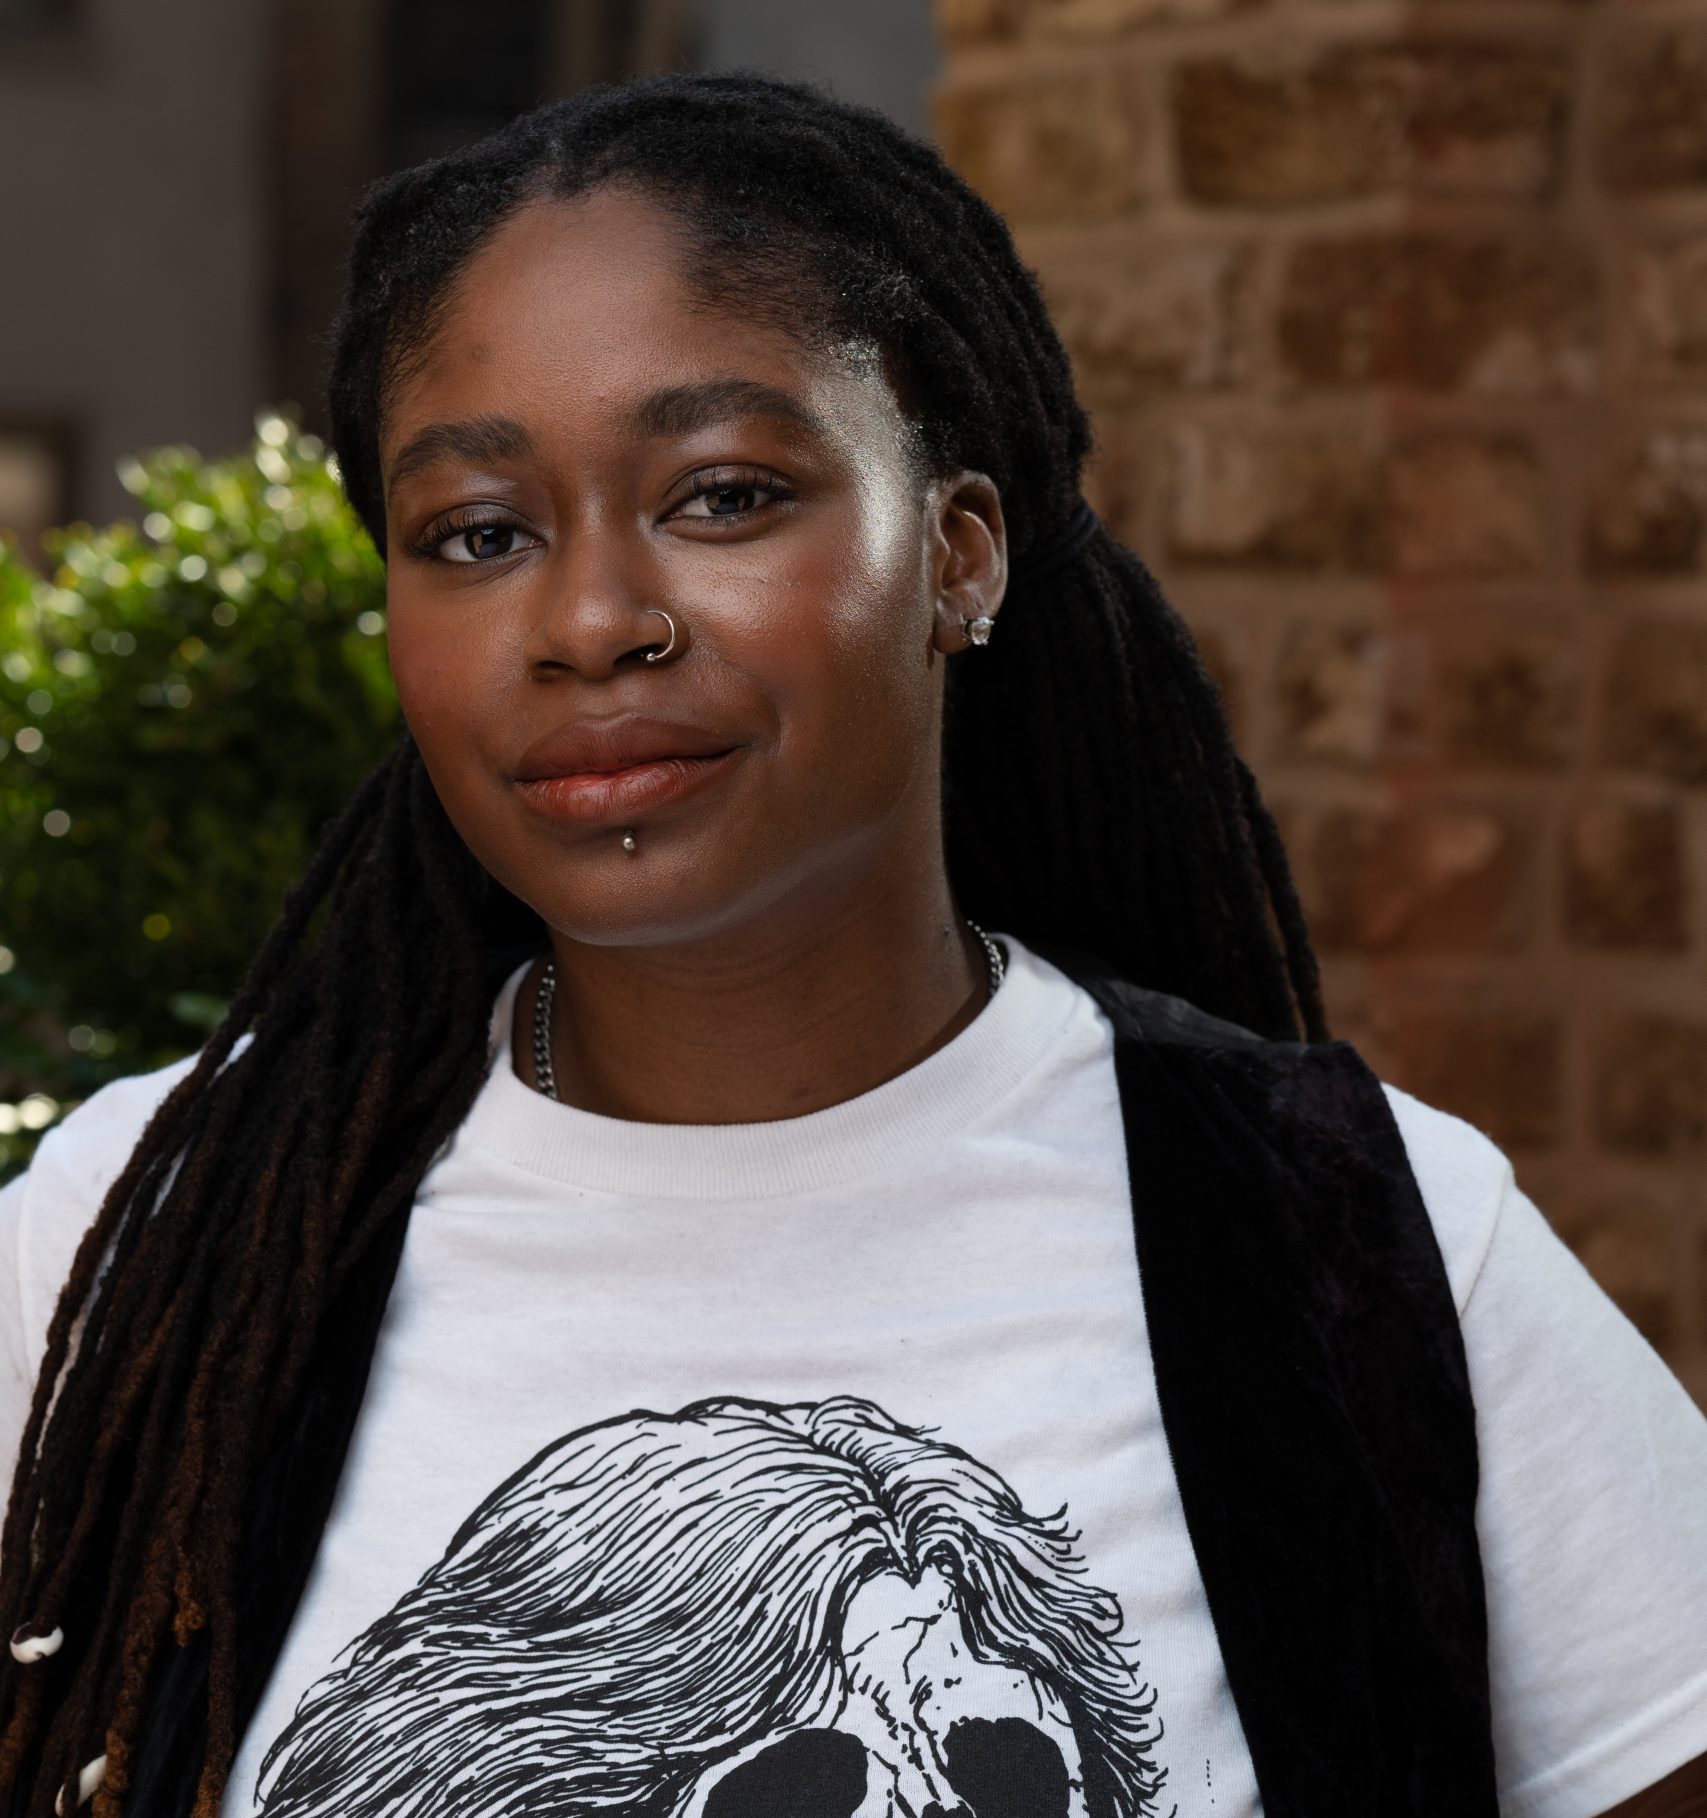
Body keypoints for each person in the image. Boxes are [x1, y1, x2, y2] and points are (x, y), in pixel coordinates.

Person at [2, 70, 1705, 1818]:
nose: (592, 621)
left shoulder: (1366, 1248)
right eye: (480, 534)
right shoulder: (139, 1249)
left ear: (959, 553)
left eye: (724, 495)